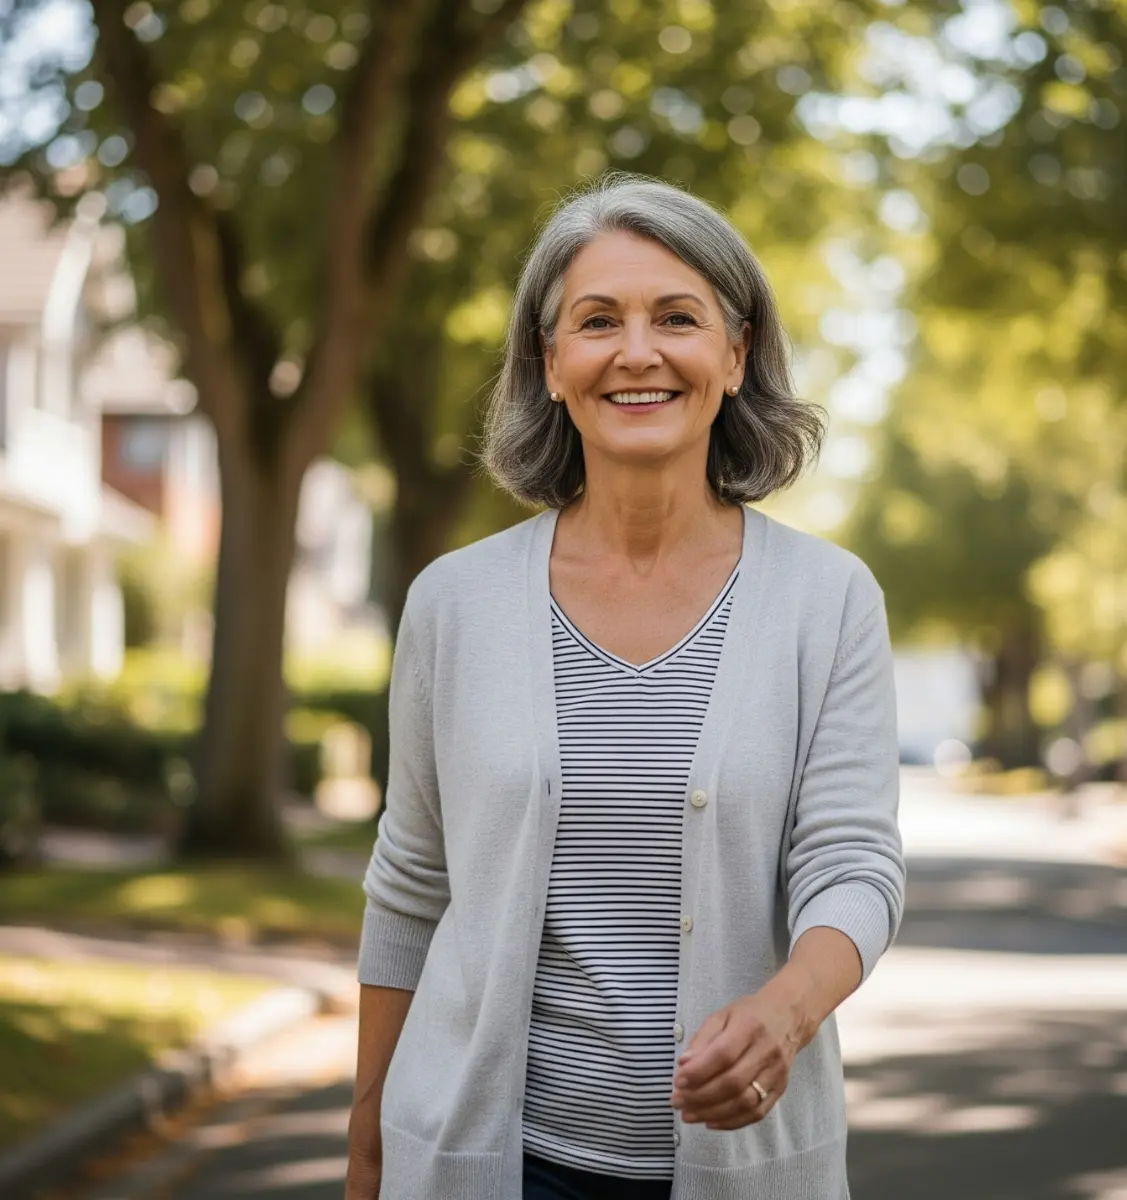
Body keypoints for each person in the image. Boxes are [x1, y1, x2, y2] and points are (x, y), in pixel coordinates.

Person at [346, 176, 905, 1200]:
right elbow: (411, 885)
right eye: (597, 321)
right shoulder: (453, 605)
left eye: (677, 318)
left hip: (743, 1167)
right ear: (551, 364)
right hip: (492, 1164)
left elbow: (855, 864)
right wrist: (369, 1147)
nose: (637, 352)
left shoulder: (828, 602)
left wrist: (786, 1012)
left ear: (735, 355)